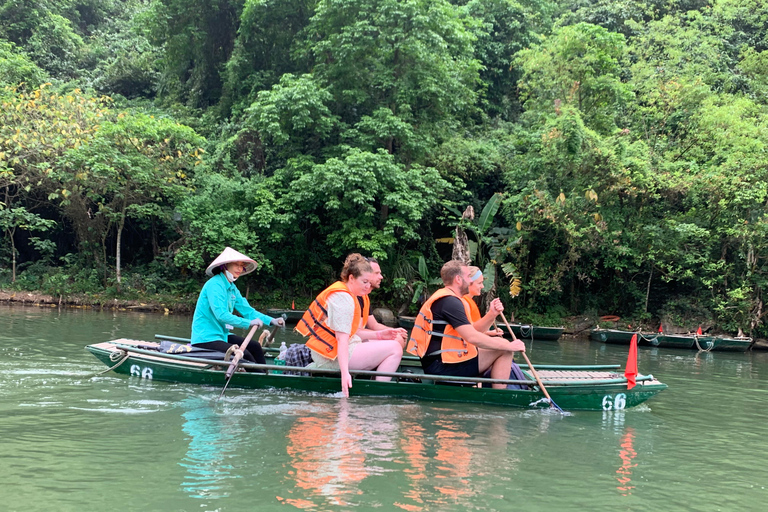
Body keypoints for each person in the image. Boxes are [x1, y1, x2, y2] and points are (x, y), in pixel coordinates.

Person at [297, 253, 404, 397]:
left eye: (369, 282)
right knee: (395, 348)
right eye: (364, 282)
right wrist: (345, 374)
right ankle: (378, 392)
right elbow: (342, 339)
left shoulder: (348, 292)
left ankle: (374, 383)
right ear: (352, 278)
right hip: (329, 356)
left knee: (390, 343)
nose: (367, 287)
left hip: (328, 352)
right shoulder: (343, 298)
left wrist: (379, 335)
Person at [406, 260, 525, 389]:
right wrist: (509, 345)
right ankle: (499, 398)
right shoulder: (450, 302)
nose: (470, 281)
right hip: (442, 366)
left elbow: (473, 331)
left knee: (502, 346)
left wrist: (492, 314)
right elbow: (473, 337)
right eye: (468, 276)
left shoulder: (450, 299)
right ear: (458, 279)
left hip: (442, 362)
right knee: (505, 350)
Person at [191, 247, 285, 370]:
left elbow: (248, 311)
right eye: (236, 264)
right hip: (206, 338)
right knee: (244, 354)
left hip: (222, 335)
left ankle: (265, 374)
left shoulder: (232, 287)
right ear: (225, 266)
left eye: (242, 266)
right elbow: (222, 315)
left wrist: (270, 320)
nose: (240, 269)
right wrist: (249, 323)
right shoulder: (215, 285)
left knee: (255, 346)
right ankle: (260, 380)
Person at [362, 257, 408, 348]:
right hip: (346, 344)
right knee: (396, 340)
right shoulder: (355, 295)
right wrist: (383, 335)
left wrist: (394, 331)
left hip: (356, 339)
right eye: (377, 273)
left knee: (399, 336)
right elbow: (355, 332)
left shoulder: (364, 297)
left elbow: (373, 325)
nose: (381, 277)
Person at [463, 266, 504, 337]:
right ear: (469, 284)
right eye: (479, 283)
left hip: (471, 341)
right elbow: (470, 332)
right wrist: (492, 314)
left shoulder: (468, 301)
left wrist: (489, 333)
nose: (482, 286)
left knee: (502, 342)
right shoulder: (463, 302)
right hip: (466, 344)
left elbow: (473, 329)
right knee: (503, 343)